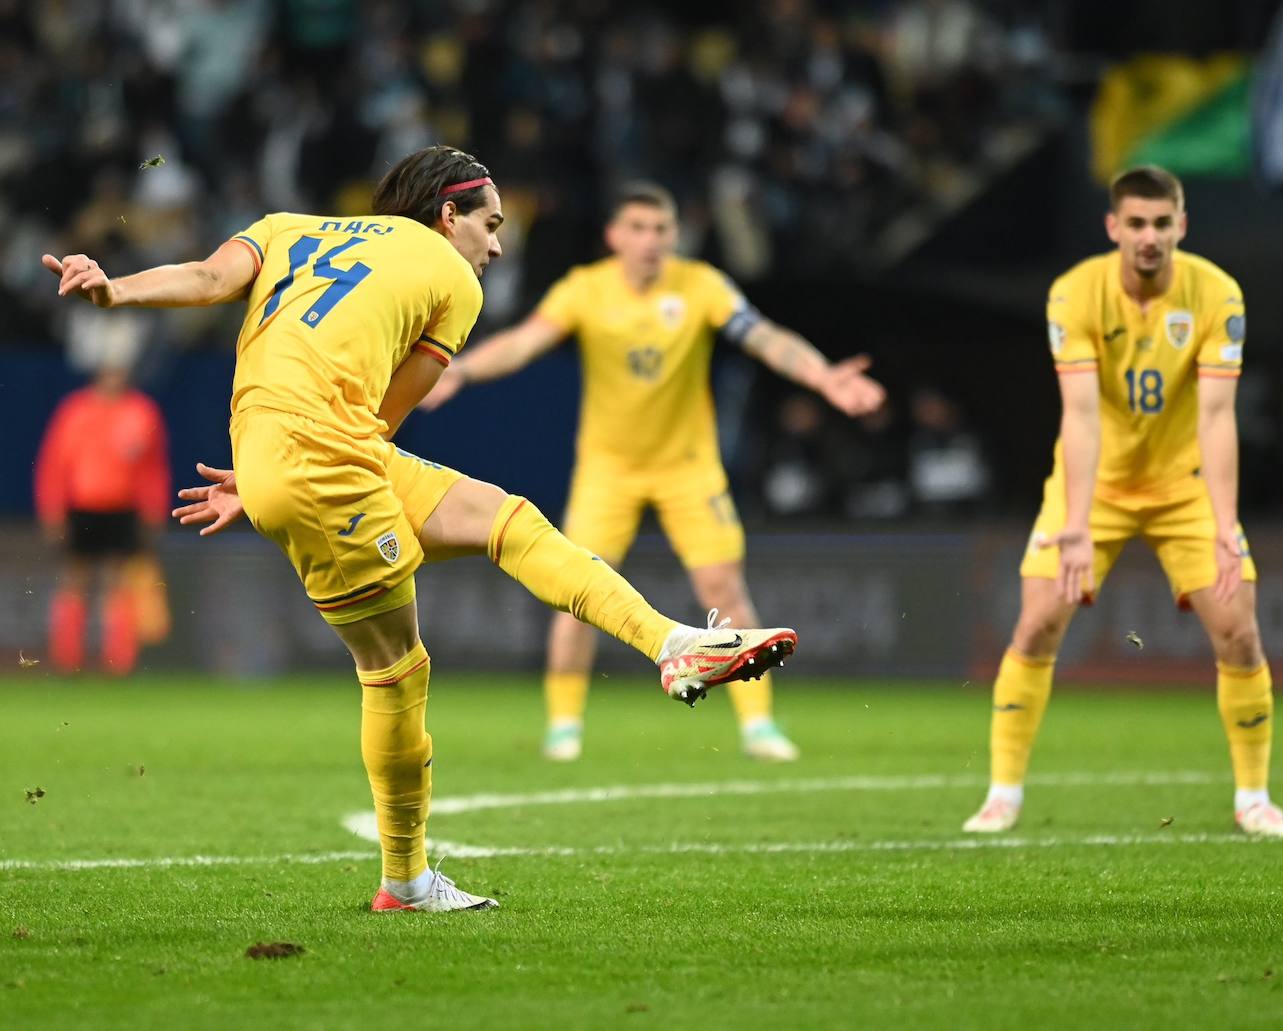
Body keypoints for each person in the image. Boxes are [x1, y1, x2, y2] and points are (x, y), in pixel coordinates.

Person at [42, 145, 797, 914]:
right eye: (491, 224)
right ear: (447, 215)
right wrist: (295, 480)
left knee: (509, 520)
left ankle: (674, 646)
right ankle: (404, 881)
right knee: (397, 669)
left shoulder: (286, 227)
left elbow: (204, 281)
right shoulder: (452, 278)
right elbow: (383, 415)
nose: (497, 245)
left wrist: (114, 290)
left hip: (294, 453)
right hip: (328, 461)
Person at [421, 182, 885, 763]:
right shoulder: (585, 289)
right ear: (614, 236)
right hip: (608, 470)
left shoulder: (700, 285)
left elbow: (761, 335)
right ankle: (564, 727)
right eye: (638, 228)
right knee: (578, 591)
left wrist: (821, 377)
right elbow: (524, 342)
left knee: (723, 589)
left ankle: (759, 724)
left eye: (662, 229)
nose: (651, 241)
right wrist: (461, 373)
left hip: (689, 469)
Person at [962, 166, 1283, 839]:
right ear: (1113, 227)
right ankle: (1002, 793)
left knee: (1238, 629)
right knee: (1035, 626)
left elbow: (1216, 417)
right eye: (1136, 224)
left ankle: (1254, 797)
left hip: (1185, 489)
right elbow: (1080, 418)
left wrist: (1227, 524)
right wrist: (1079, 525)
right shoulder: (1074, 294)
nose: (1149, 237)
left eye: (1161, 223)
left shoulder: (1218, 295)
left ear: (1183, 225)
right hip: (1097, 486)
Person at [34, 360, 171, 674]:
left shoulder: (141, 411)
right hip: (82, 506)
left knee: (118, 581)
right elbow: (54, 465)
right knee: (74, 579)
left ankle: (118, 662)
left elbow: (153, 467)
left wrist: (153, 509)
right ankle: (68, 660)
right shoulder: (75, 411)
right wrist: (52, 510)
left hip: (122, 508)